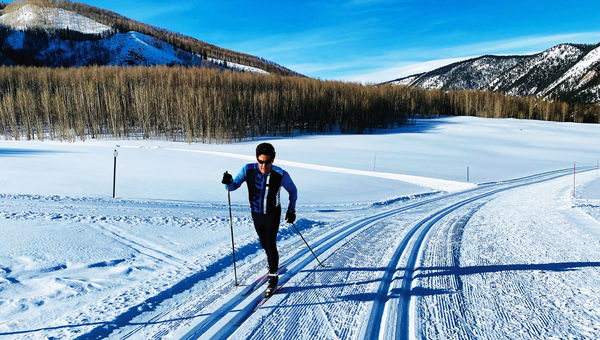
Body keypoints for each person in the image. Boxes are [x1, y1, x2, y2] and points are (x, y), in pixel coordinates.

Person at [221, 142, 297, 296]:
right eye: (261, 162)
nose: (263, 166)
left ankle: (273, 277)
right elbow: (233, 186)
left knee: (270, 242)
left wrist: (291, 209)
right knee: (263, 242)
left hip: (272, 213)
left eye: (267, 162)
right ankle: (272, 262)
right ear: (256, 159)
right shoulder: (248, 170)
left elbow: (293, 191)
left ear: (273, 160)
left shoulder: (280, 174)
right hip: (256, 213)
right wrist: (227, 182)